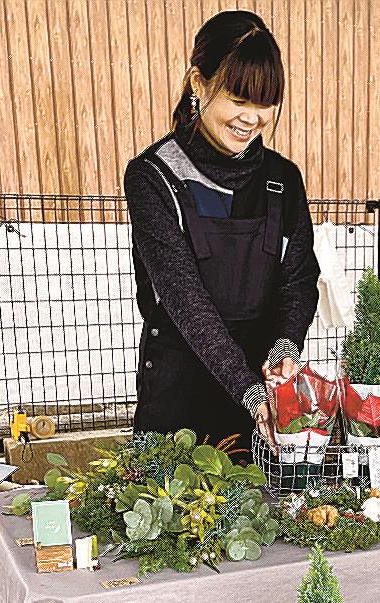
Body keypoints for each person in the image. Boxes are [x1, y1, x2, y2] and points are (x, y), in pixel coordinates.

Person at [124, 10, 318, 447]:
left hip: (262, 408)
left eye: (264, 103)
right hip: (178, 405)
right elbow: (185, 301)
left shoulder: (282, 180)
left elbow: (299, 279)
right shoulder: (155, 176)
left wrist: (285, 347)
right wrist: (250, 393)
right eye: (239, 99)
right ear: (199, 83)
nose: (252, 118)